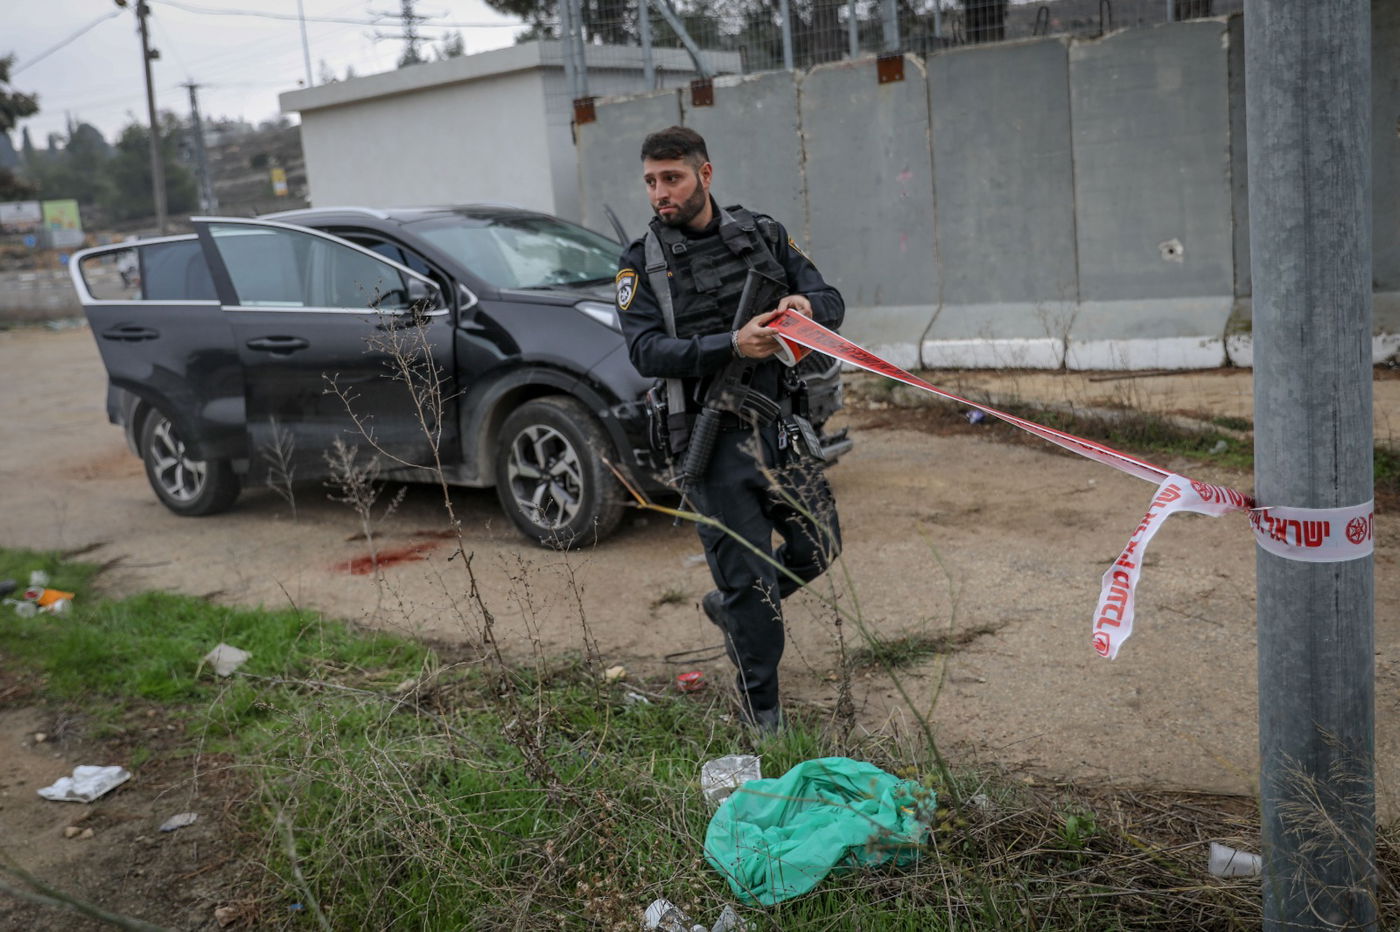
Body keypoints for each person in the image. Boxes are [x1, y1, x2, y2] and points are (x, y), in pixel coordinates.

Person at [615, 125, 845, 733]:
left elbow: (830, 296)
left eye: (673, 178)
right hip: (711, 442)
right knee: (752, 586)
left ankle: (731, 608)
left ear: (705, 175)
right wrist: (731, 345)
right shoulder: (643, 264)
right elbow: (645, 351)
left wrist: (807, 308)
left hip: (781, 427)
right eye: (651, 182)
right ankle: (761, 712)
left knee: (819, 546)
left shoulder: (763, 234)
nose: (660, 193)